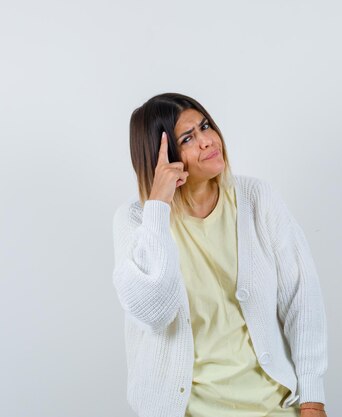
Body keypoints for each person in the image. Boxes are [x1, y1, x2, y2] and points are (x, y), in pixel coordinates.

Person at [111, 92, 328, 417]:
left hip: (272, 407)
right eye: (188, 137)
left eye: (206, 126)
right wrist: (157, 205)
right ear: (164, 156)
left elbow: (302, 298)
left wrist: (312, 399)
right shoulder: (137, 220)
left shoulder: (257, 199)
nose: (208, 141)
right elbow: (152, 313)